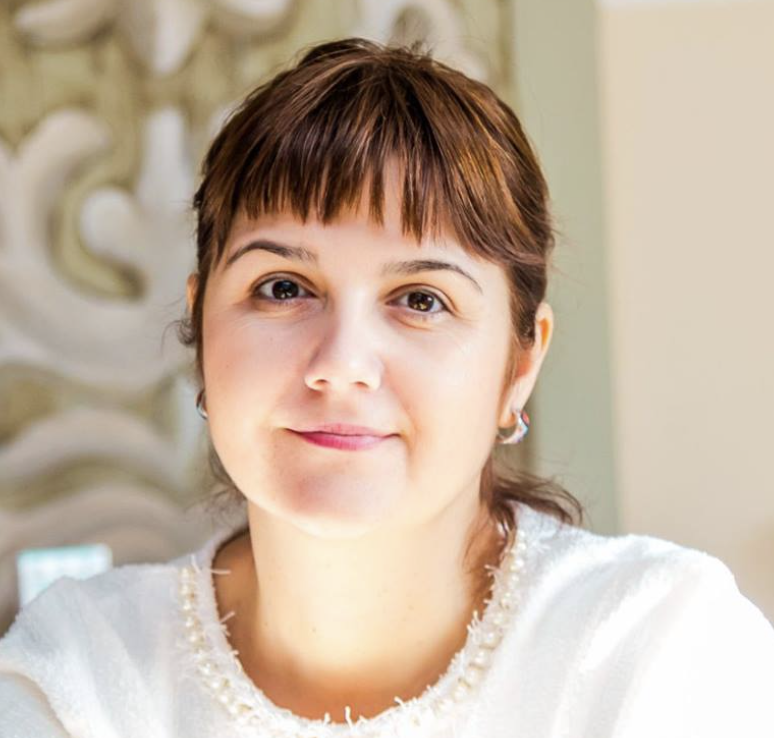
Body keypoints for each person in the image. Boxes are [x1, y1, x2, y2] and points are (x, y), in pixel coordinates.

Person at [1, 36, 772, 738]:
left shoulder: (664, 657)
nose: (342, 363)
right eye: (282, 287)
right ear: (203, 326)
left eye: (421, 300)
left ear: (520, 364)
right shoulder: (79, 676)